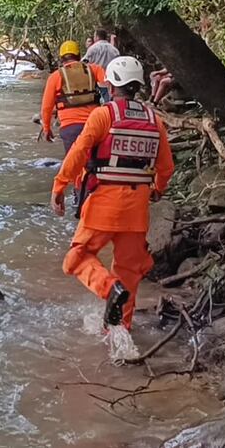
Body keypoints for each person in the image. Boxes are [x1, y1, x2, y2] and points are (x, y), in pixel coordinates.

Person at [50, 56, 174, 329]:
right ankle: (118, 336)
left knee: (77, 258)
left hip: (104, 205)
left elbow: (79, 153)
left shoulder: (103, 115)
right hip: (137, 210)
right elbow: (166, 167)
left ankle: (109, 290)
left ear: (110, 84)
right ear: (138, 85)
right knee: (129, 273)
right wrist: (157, 190)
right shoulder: (155, 121)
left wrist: (59, 186)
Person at [41, 40, 107, 154]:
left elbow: (47, 107)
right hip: (94, 125)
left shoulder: (55, 76)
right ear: (79, 55)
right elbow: (110, 89)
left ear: (61, 58)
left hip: (70, 128)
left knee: (75, 166)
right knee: (94, 166)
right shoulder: (95, 69)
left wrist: (46, 128)